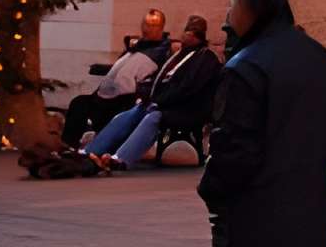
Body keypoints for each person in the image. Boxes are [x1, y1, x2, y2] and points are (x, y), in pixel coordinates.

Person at [198, 0, 326, 247]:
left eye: (231, 4)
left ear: (246, 3)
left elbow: (232, 151)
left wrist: (211, 189)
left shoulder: (245, 68)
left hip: (255, 225)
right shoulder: (320, 60)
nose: (228, 15)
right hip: (310, 222)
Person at [85, 14, 225, 169]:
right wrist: (146, 94)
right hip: (165, 103)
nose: (188, 35)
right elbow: (159, 79)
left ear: (200, 37)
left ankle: (121, 159)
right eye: (187, 31)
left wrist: (158, 102)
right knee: (131, 113)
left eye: (193, 33)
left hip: (187, 108)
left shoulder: (205, 58)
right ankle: (90, 152)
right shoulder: (178, 54)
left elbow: (187, 89)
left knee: (153, 117)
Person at [63, 8, 171, 147]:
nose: (146, 29)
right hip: (102, 97)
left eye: (152, 25)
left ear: (161, 28)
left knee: (107, 114)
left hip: (126, 100)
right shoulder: (136, 47)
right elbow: (121, 68)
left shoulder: (163, 51)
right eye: (145, 24)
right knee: (79, 103)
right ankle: (68, 147)